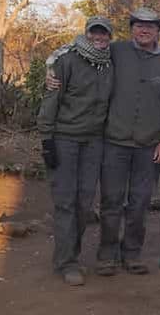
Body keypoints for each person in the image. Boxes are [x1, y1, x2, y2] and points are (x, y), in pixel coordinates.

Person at [46, 7, 160, 276]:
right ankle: (107, 254)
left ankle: (132, 253)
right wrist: (49, 72)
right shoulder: (115, 51)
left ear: (158, 31)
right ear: (131, 29)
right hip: (113, 142)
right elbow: (76, 52)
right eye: (138, 25)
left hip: (149, 145)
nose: (144, 30)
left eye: (150, 26)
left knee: (140, 202)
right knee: (110, 201)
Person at [37, 16, 114, 286]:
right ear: (86, 33)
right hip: (65, 139)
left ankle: (72, 255)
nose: (99, 38)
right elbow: (50, 100)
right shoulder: (67, 60)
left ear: (109, 37)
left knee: (84, 204)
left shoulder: (109, 63)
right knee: (65, 202)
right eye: (95, 33)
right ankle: (66, 262)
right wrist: (47, 140)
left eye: (104, 34)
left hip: (94, 142)